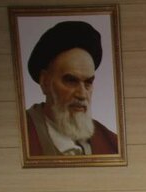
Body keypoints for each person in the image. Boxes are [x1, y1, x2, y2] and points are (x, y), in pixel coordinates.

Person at [25, 20, 119, 156]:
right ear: (45, 82)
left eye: (88, 82)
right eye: (71, 81)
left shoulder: (111, 143)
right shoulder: (20, 134)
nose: (82, 94)